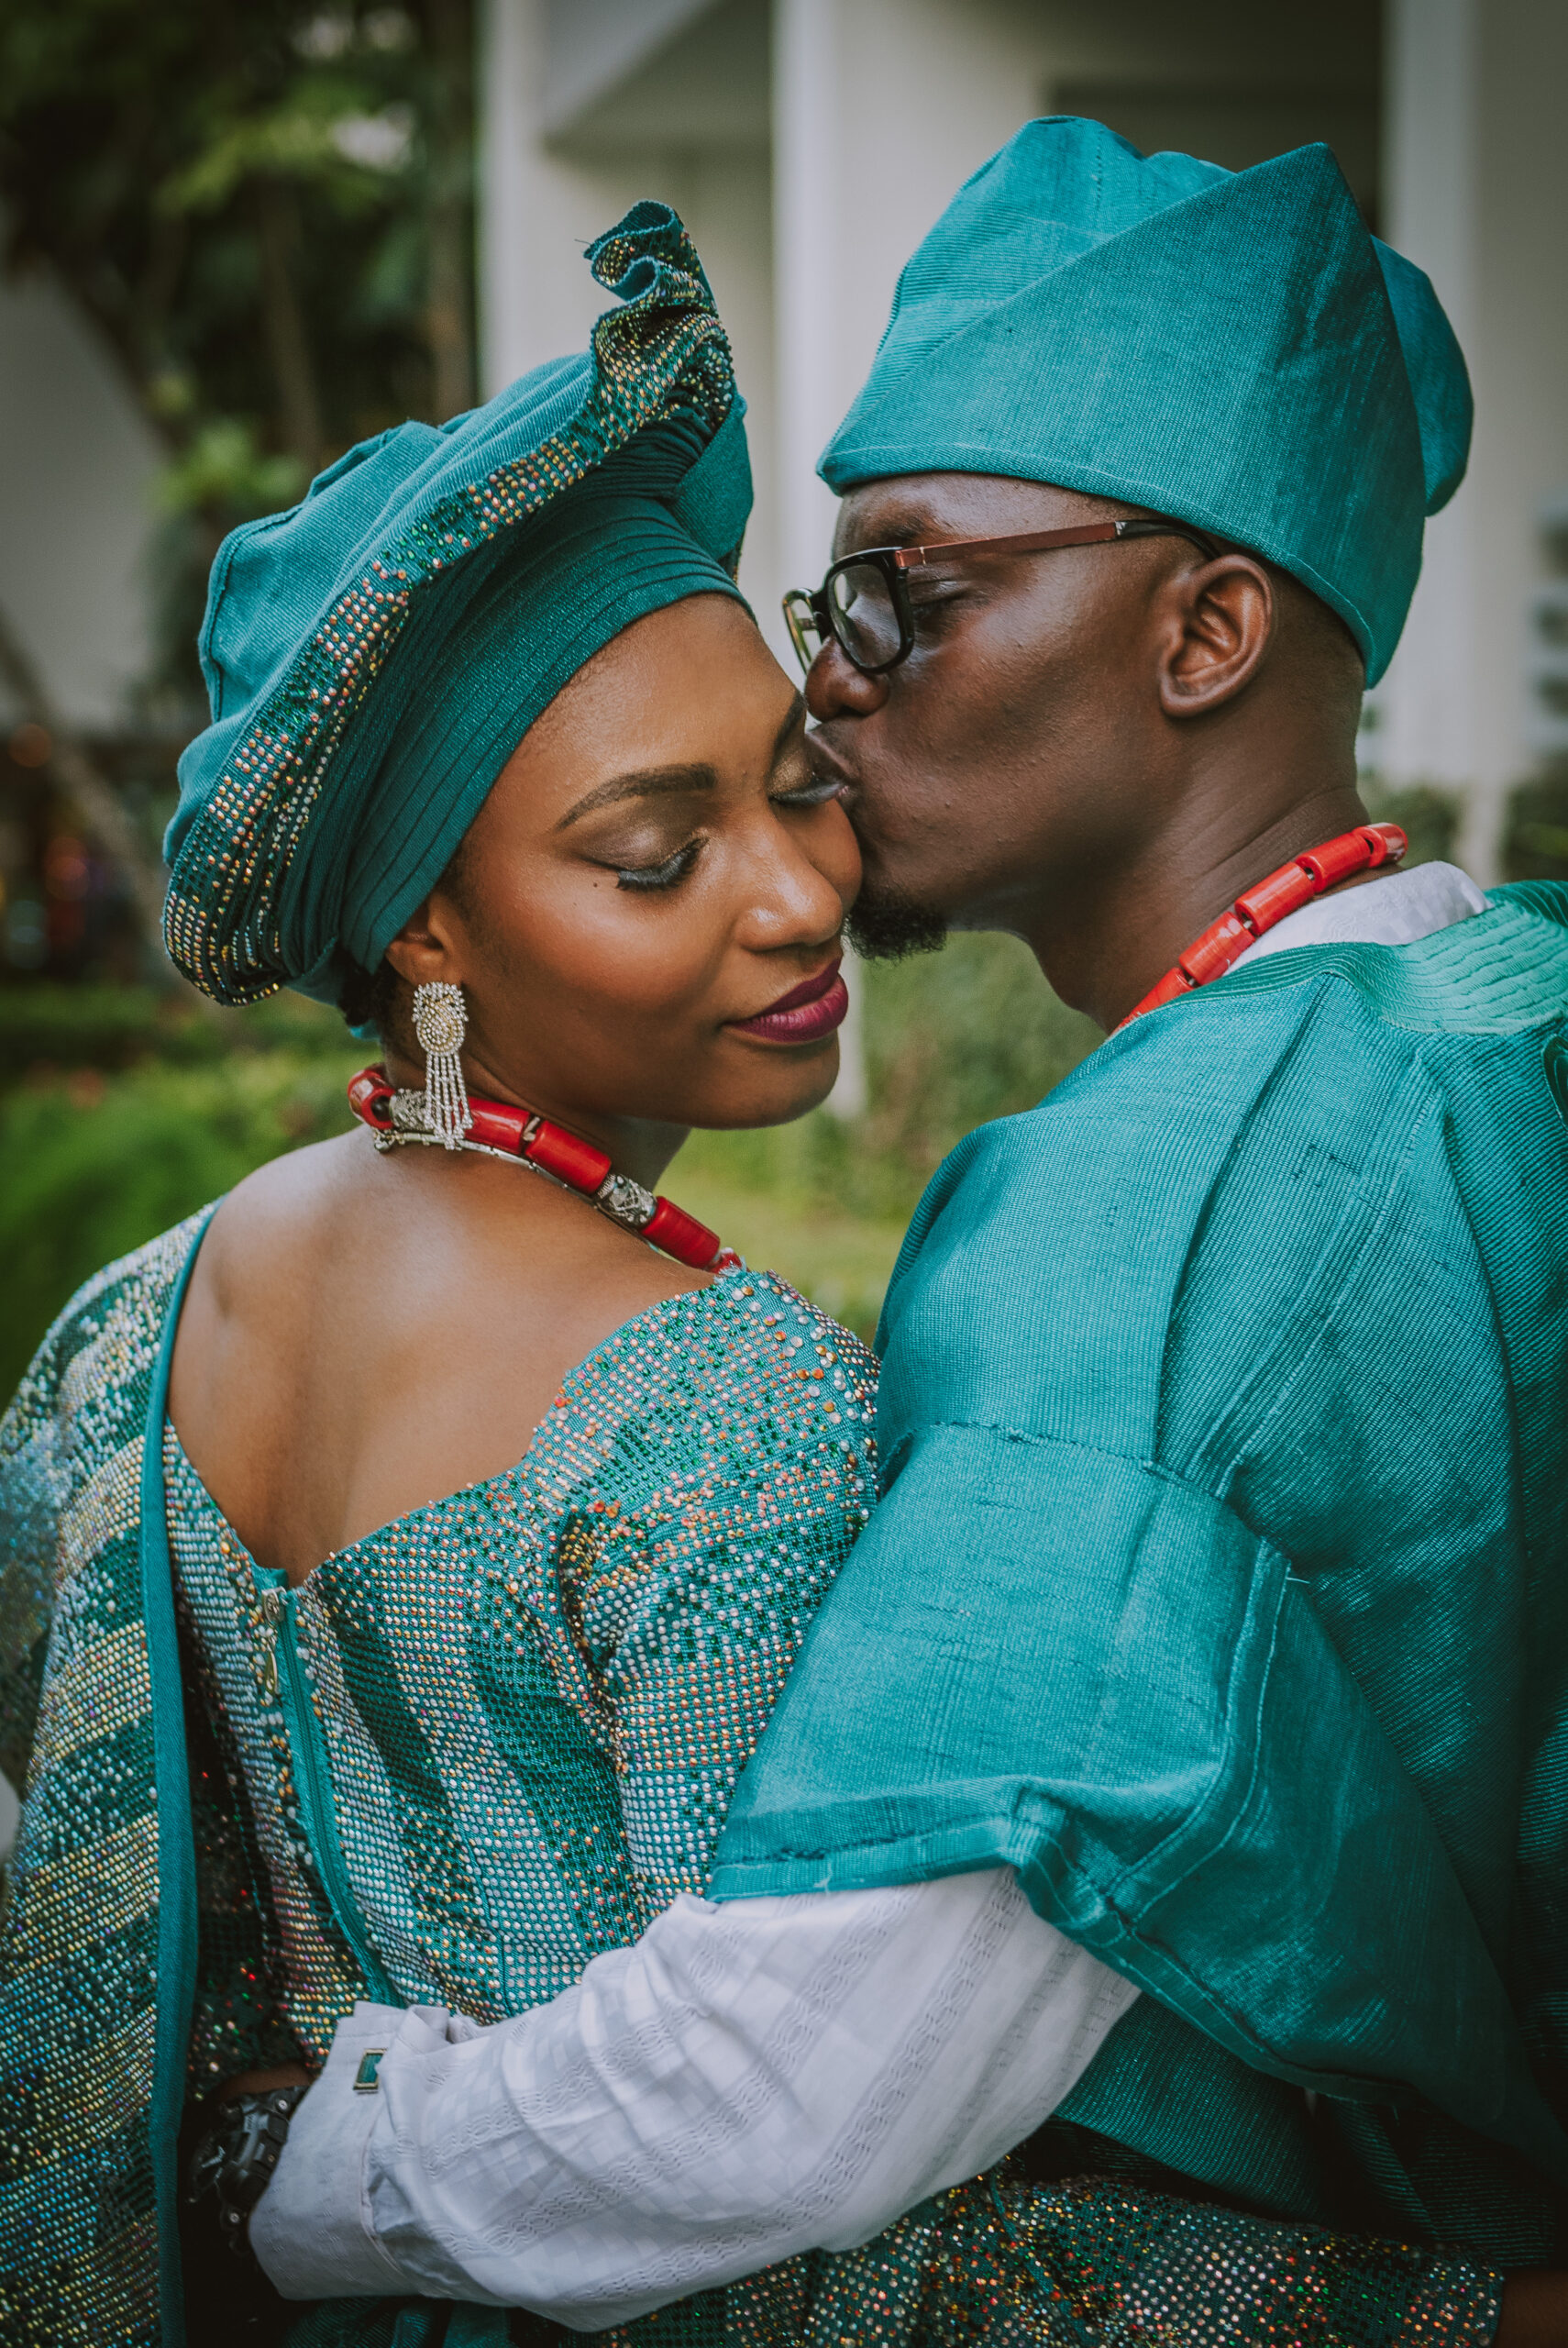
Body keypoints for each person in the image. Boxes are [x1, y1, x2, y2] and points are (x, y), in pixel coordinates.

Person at [0, 195, 1488, 2348]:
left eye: (799, 784)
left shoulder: (118, 1335)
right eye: (655, 851)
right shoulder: (720, 1410)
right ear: (425, 920)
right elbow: (821, 2200)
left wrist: (261, 2156)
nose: (802, 894)